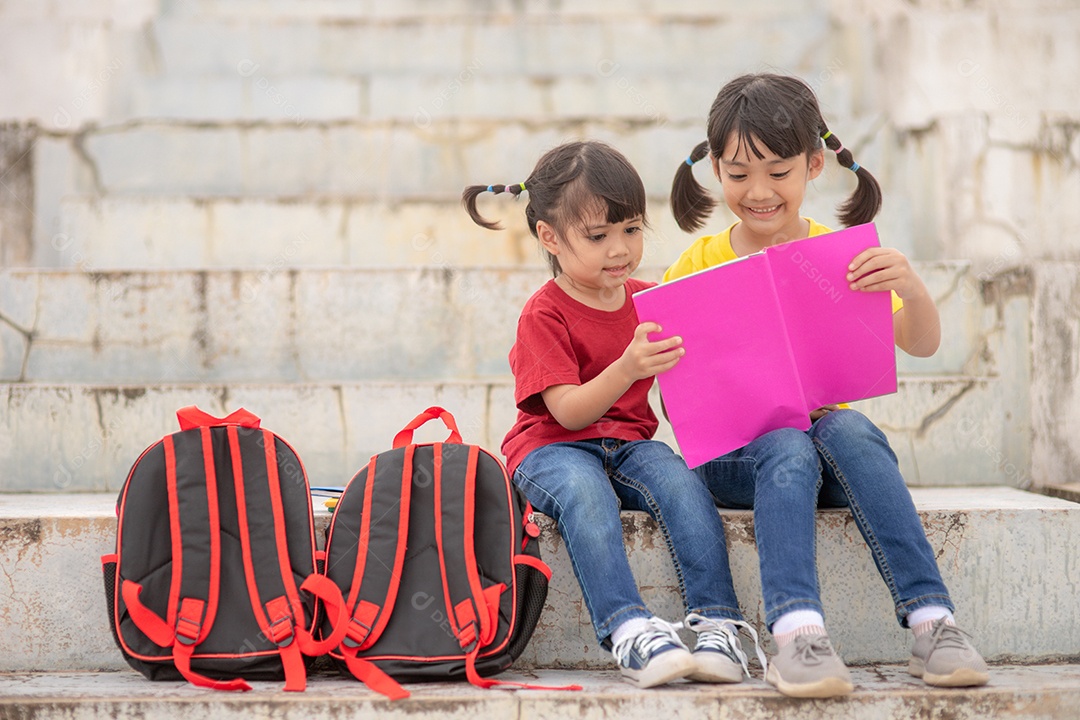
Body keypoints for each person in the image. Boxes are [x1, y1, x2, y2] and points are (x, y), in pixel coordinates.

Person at [665, 73, 989, 698]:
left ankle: (933, 622)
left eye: (778, 172)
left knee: (851, 428)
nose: (758, 191)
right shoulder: (697, 262)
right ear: (715, 171)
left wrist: (911, 287)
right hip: (738, 459)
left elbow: (919, 343)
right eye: (737, 174)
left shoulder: (837, 258)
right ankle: (797, 636)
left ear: (814, 164)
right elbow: (682, 396)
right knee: (787, 443)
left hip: (828, 455)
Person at [462, 140, 764, 689]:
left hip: (629, 445)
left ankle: (720, 623)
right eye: (598, 237)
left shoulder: (650, 300)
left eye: (630, 229)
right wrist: (626, 367)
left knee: (680, 483)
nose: (619, 249)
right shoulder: (544, 313)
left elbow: (694, 386)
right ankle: (628, 630)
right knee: (585, 493)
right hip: (551, 450)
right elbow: (569, 412)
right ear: (550, 237)